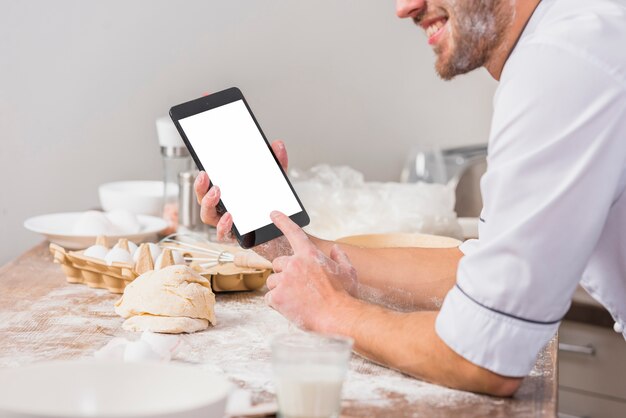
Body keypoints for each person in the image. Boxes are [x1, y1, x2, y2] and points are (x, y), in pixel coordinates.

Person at [194, 0, 626, 396]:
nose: (405, 7)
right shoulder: (570, 39)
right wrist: (293, 248)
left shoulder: (561, 64)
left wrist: (331, 312)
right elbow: (478, 272)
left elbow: (481, 357)